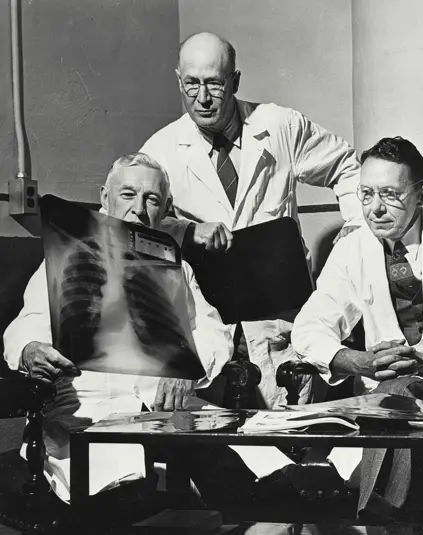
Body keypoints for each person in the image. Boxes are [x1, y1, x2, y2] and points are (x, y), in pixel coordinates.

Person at [140, 32, 364, 408]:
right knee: (221, 450)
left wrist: (355, 233)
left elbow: (347, 166)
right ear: (179, 81)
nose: (203, 97)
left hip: (280, 322)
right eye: (191, 84)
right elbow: (138, 226)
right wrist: (186, 230)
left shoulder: (279, 126)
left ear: (235, 81)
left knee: (293, 445)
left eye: (214, 83)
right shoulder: (160, 150)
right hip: (211, 328)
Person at [3, 153, 234, 503]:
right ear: (105, 199)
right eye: (128, 195)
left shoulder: (177, 269)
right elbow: (29, 324)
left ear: (165, 209)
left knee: (249, 472)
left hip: (166, 414)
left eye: (151, 199)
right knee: (137, 490)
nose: (139, 209)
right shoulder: (66, 256)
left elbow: (212, 330)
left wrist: (188, 368)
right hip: (89, 416)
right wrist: (30, 350)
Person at [292, 136, 423, 517]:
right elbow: (308, 328)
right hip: (382, 405)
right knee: (393, 392)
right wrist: (358, 362)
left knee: (399, 388)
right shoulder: (350, 250)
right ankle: (390, 518)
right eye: (366, 193)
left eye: (390, 194)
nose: (374, 208)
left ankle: (378, 516)